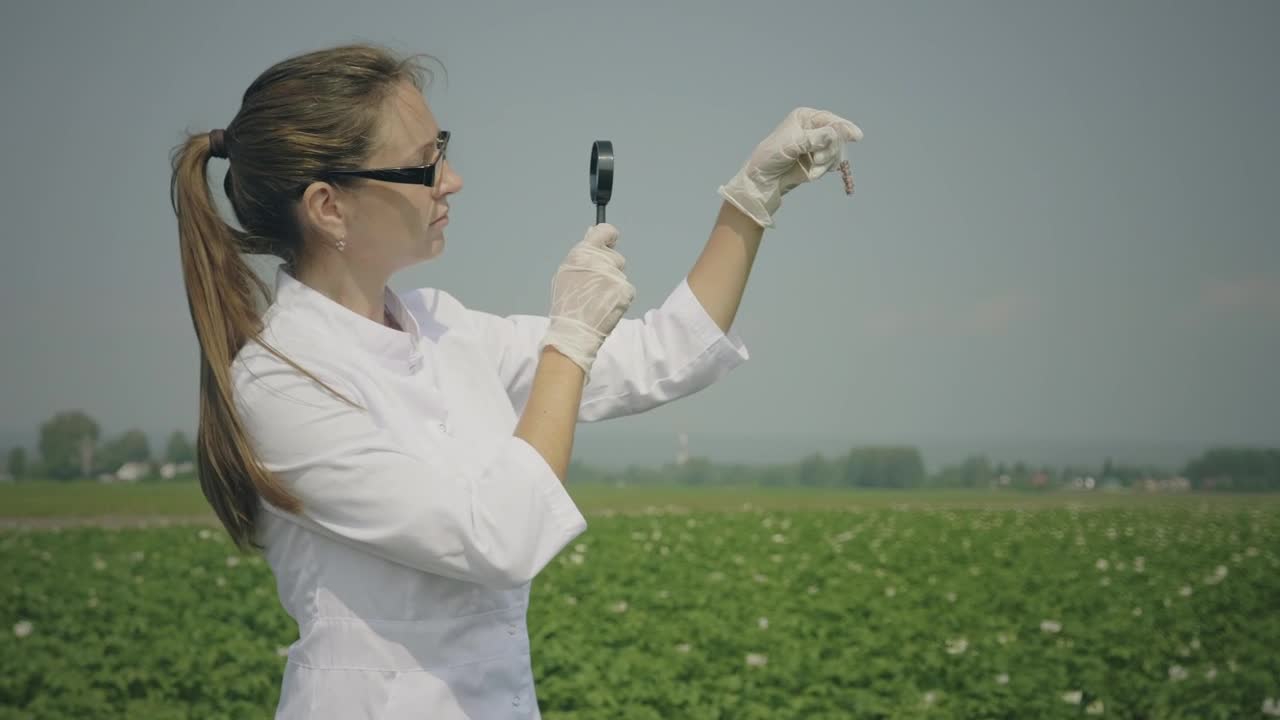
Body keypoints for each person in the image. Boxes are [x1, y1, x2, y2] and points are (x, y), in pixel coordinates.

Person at [169, 42, 861, 720]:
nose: (452, 179)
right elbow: (497, 538)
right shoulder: (283, 383)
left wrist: (754, 194)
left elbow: (662, 350)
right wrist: (568, 340)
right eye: (423, 164)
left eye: (441, 147)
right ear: (328, 208)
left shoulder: (445, 329)